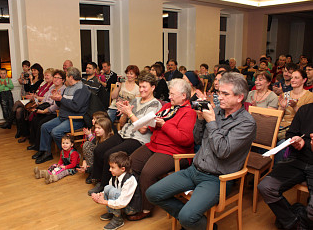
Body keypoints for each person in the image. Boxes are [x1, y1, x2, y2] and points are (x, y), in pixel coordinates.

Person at [146, 72, 256, 230]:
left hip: (217, 178)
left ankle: (195, 223)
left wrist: (211, 122)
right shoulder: (216, 111)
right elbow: (197, 139)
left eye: (225, 94)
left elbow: (222, 151)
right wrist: (199, 119)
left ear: (239, 97)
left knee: (186, 217)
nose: (220, 97)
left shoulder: (247, 123)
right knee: (153, 193)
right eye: (219, 93)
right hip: (194, 170)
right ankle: (196, 223)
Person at [127, 78, 196, 221]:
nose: (169, 97)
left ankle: (146, 208)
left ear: (184, 96)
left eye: (172, 94)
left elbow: (185, 139)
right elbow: (152, 125)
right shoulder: (167, 107)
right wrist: (153, 122)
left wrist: (164, 125)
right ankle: (134, 202)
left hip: (174, 151)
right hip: (155, 145)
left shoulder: (189, 113)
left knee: (147, 172)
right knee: (131, 163)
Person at [89, 72, 162, 195]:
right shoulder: (136, 99)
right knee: (98, 150)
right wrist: (123, 111)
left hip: (139, 139)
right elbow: (123, 123)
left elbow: (143, 129)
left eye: (145, 87)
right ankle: (98, 177)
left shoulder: (155, 104)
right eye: (140, 86)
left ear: (153, 88)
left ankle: (104, 186)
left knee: (109, 154)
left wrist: (129, 113)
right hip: (124, 133)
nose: (141, 89)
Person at [258, 103, 313, 230]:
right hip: (298, 160)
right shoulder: (305, 110)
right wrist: (297, 140)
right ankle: (295, 224)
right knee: (266, 186)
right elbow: (290, 134)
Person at [33, 67, 90, 164]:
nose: (66, 78)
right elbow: (61, 104)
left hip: (74, 120)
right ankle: (46, 152)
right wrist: (57, 99)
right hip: (63, 117)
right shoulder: (68, 88)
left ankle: (68, 153)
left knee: (55, 132)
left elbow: (76, 107)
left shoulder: (82, 89)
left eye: (66, 76)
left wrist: (61, 99)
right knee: (45, 127)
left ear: (71, 77)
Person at [91, 151, 138, 230]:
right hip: (121, 202)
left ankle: (118, 219)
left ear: (123, 169)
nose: (109, 169)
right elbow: (109, 189)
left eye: (112, 167)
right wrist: (100, 195)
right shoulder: (115, 176)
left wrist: (104, 202)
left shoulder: (130, 180)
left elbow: (122, 202)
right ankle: (112, 212)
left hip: (130, 208)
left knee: (112, 191)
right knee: (107, 187)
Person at [0, 63, 44, 135]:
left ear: (39, 71)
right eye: (32, 70)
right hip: (29, 98)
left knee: (17, 103)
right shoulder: (30, 78)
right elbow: (27, 89)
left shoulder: (41, 81)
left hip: (34, 100)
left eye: (35, 70)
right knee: (18, 110)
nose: (33, 72)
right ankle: (19, 131)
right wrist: (26, 81)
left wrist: (31, 81)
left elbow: (33, 89)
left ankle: (9, 122)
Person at [28, 70, 66, 151]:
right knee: (35, 120)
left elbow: (56, 106)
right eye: (54, 77)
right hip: (46, 108)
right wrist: (38, 105)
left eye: (58, 78)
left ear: (63, 80)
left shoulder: (63, 90)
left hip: (54, 113)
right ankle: (35, 144)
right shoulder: (51, 88)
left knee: (41, 123)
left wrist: (45, 111)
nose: (55, 79)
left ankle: (41, 148)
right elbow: (45, 99)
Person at [15, 67, 54, 143]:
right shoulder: (44, 84)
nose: (46, 77)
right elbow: (34, 91)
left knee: (25, 111)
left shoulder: (52, 86)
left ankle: (27, 134)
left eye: (48, 75)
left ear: (52, 77)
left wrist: (36, 97)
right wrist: (34, 96)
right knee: (20, 111)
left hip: (42, 105)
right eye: (45, 75)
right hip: (36, 102)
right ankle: (25, 134)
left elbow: (47, 99)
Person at [277, 69, 313, 142]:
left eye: (296, 78)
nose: (292, 80)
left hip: (295, 130)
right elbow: (278, 117)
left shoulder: (310, 96)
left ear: (304, 80)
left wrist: (295, 107)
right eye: (292, 78)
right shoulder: (285, 95)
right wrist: (282, 107)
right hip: (280, 127)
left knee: (281, 144)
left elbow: (306, 120)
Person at [79, 116, 114, 184]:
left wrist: (88, 169)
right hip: (96, 164)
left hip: (105, 166)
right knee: (87, 144)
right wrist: (84, 161)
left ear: (106, 129)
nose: (96, 130)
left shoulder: (109, 141)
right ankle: (92, 173)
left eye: (99, 128)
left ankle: (96, 176)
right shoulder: (98, 139)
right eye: (95, 128)